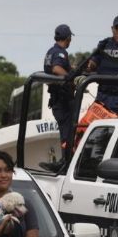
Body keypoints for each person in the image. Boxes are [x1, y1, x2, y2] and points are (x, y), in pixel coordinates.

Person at [43, 24, 75, 169]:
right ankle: (66, 162)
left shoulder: (51, 51)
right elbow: (56, 68)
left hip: (57, 99)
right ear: (68, 38)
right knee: (68, 132)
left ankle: (65, 160)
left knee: (65, 131)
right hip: (62, 100)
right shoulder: (60, 52)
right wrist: (70, 77)